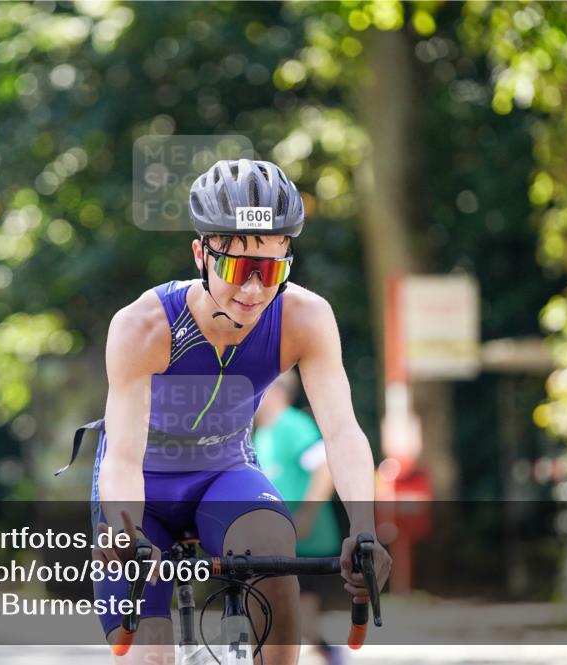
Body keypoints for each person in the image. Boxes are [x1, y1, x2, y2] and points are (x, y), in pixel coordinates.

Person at [64, 158, 391, 665]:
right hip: (141, 491)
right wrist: (123, 530)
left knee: (273, 554)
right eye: (238, 268)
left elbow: (343, 432)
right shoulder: (144, 326)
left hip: (225, 475)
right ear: (201, 254)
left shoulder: (304, 318)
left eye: (270, 270)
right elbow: (123, 457)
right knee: (149, 655)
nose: (253, 290)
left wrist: (364, 530)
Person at [254, 369, 344, 664]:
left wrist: (306, 513)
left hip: (306, 541)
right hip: (277, 541)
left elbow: (325, 466)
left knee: (297, 614)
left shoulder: (293, 425)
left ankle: (331, 654)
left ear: (275, 392)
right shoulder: (263, 433)